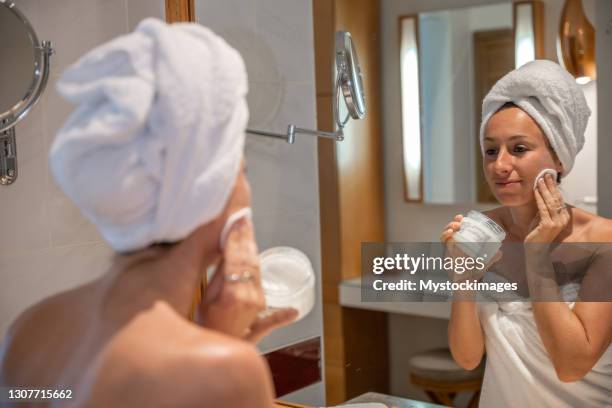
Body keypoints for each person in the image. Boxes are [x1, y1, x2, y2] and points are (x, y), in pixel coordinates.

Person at [0, 19, 297, 407]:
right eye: (240, 169)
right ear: (208, 192)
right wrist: (222, 351)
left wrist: (212, 343)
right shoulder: (224, 373)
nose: (247, 187)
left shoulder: (30, 331)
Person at [442, 60, 612, 407]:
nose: (499, 165)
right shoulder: (481, 233)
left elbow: (571, 365)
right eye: (491, 150)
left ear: (559, 157)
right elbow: (467, 358)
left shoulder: (602, 241)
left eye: (519, 149)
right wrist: (463, 280)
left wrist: (537, 256)